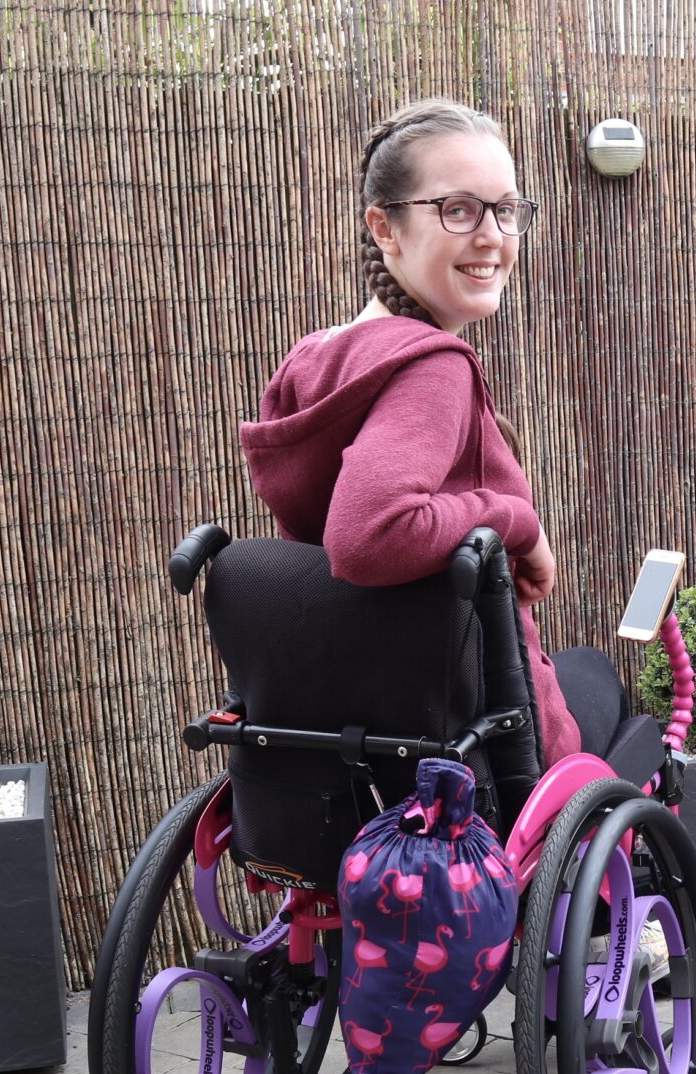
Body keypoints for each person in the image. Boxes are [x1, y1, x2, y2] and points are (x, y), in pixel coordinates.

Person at [239, 97, 626, 765]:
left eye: (506, 209)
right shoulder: (430, 368)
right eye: (458, 209)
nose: (493, 236)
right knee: (607, 686)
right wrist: (515, 521)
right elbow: (367, 538)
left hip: (363, 726)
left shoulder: (317, 357)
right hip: (478, 739)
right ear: (384, 229)